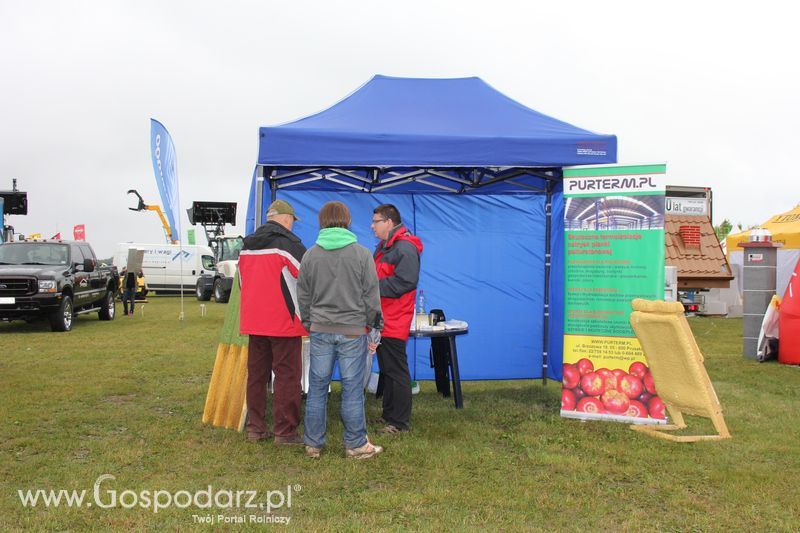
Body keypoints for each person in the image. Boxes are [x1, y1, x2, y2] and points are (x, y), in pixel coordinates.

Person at [297, 201, 384, 459]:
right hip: (353, 331)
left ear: (321, 221)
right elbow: (371, 295)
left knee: (317, 388)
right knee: (353, 389)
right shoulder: (361, 254)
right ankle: (356, 444)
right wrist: (375, 327)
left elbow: (303, 294)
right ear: (347, 221)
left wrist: (308, 321)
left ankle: (313, 444)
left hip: (320, 329)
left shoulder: (310, 255)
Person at [238, 199, 307, 445]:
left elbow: (241, 284)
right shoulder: (288, 245)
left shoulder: (247, 246)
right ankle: (285, 431)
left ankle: (255, 427)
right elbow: (307, 278)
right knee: (287, 376)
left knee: (256, 375)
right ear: (287, 219)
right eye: (292, 222)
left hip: (254, 320)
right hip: (283, 321)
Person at [370, 204, 423, 434]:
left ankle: (399, 423)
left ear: (389, 222)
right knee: (387, 369)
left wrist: (372, 287)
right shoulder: (385, 248)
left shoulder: (405, 248)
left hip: (394, 317)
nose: (372, 226)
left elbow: (406, 282)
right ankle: (389, 415)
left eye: (376, 221)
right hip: (382, 317)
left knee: (397, 371)